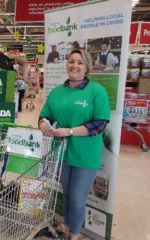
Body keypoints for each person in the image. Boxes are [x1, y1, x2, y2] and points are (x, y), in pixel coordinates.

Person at [38, 49, 110, 240]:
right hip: (62, 153)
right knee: (67, 193)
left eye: (79, 63)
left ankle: (75, 235)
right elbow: (45, 115)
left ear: (86, 68)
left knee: (78, 197)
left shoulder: (96, 91)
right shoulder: (57, 92)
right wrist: (43, 125)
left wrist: (69, 131)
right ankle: (68, 228)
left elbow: (100, 124)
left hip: (86, 154)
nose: (74, 66)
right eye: (71, 61)